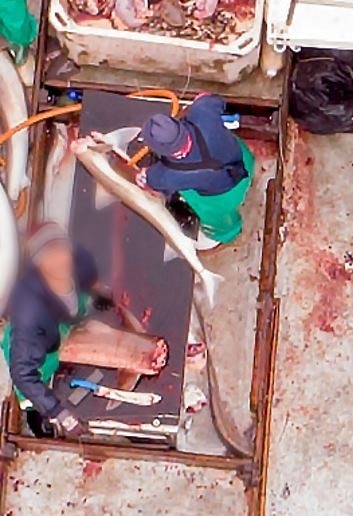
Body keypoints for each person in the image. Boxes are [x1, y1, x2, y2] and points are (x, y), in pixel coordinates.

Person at [1, 222, 114, 438]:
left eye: (61, 249)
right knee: (34, 377)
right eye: (48, 255)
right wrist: (59, 413)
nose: (60, 260)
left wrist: (99, 293)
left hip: (62, 320)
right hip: (38, 342)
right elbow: (23, 374)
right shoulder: (30, 314)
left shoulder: (79, 263)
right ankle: (33, 410)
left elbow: (90, 276)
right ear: (38, 263)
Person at [136, 93, 255, 247]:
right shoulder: (202, 112)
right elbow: (212, 99)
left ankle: (226, 232)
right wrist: (200, 101)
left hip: (225, 195)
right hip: (244, 161)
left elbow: (148, 182)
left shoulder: (168, 175)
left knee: (215, 215)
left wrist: (144, 175)